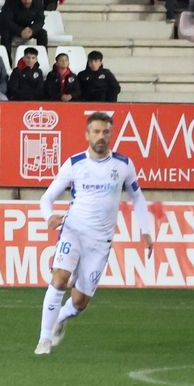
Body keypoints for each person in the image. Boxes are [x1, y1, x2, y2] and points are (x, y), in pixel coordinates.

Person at [34, 113, 153, 355]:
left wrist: (146, 230)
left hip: (100, 242)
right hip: (72, 231)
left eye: (105, 132)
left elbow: (137, 198)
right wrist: (49, 217)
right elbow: (46, 198)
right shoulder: (75, 164)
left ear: (111, 134)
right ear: (87, 135)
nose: (101, 136)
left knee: (79, 302)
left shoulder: (123, 165)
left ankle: (62, 316)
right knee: (59, 278)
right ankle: (44, 340)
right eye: (96, 132)